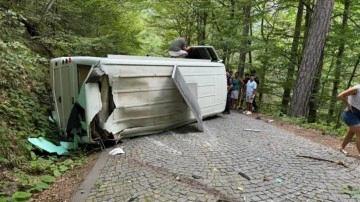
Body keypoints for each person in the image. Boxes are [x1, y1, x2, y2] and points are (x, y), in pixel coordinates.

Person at [338, 85, 360, 156]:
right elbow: (341, 95)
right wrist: (348, 105)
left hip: (358, 115)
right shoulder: (356, 89)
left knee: (351, 132)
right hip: (350, 114)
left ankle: (341, 147)